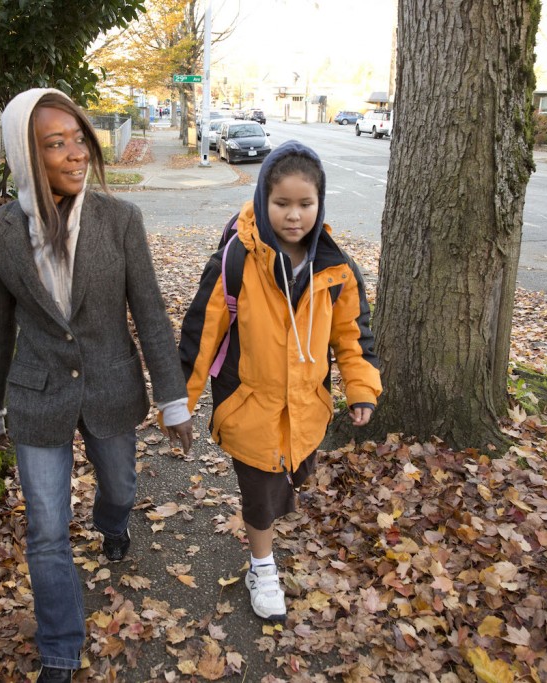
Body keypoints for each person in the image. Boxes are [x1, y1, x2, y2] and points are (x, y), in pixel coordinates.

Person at [0, 88, 193, 682]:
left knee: (120, 486)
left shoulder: (121, 220)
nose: (75, 154)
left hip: (111, 384)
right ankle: (60, 651)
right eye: (55, 143)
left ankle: (113, 522)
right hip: (37, 394)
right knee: (45, 532)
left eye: (78, 139)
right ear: (25, 155)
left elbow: (149, 314)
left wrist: (173, 401)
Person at [178, 141, 382, 621]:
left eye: (305, 204)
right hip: (249, 405)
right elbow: (199, 337)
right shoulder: (235, 262)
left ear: (321, 204)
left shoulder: (336, 270)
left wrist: (360, 388)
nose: (294, 216)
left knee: (283, 484)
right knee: (261, 497)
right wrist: (179, 404)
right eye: (282, 203)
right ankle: (262, 565)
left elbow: (354, 337)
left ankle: (264, 540)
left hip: (306, 407)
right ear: (263, 202)